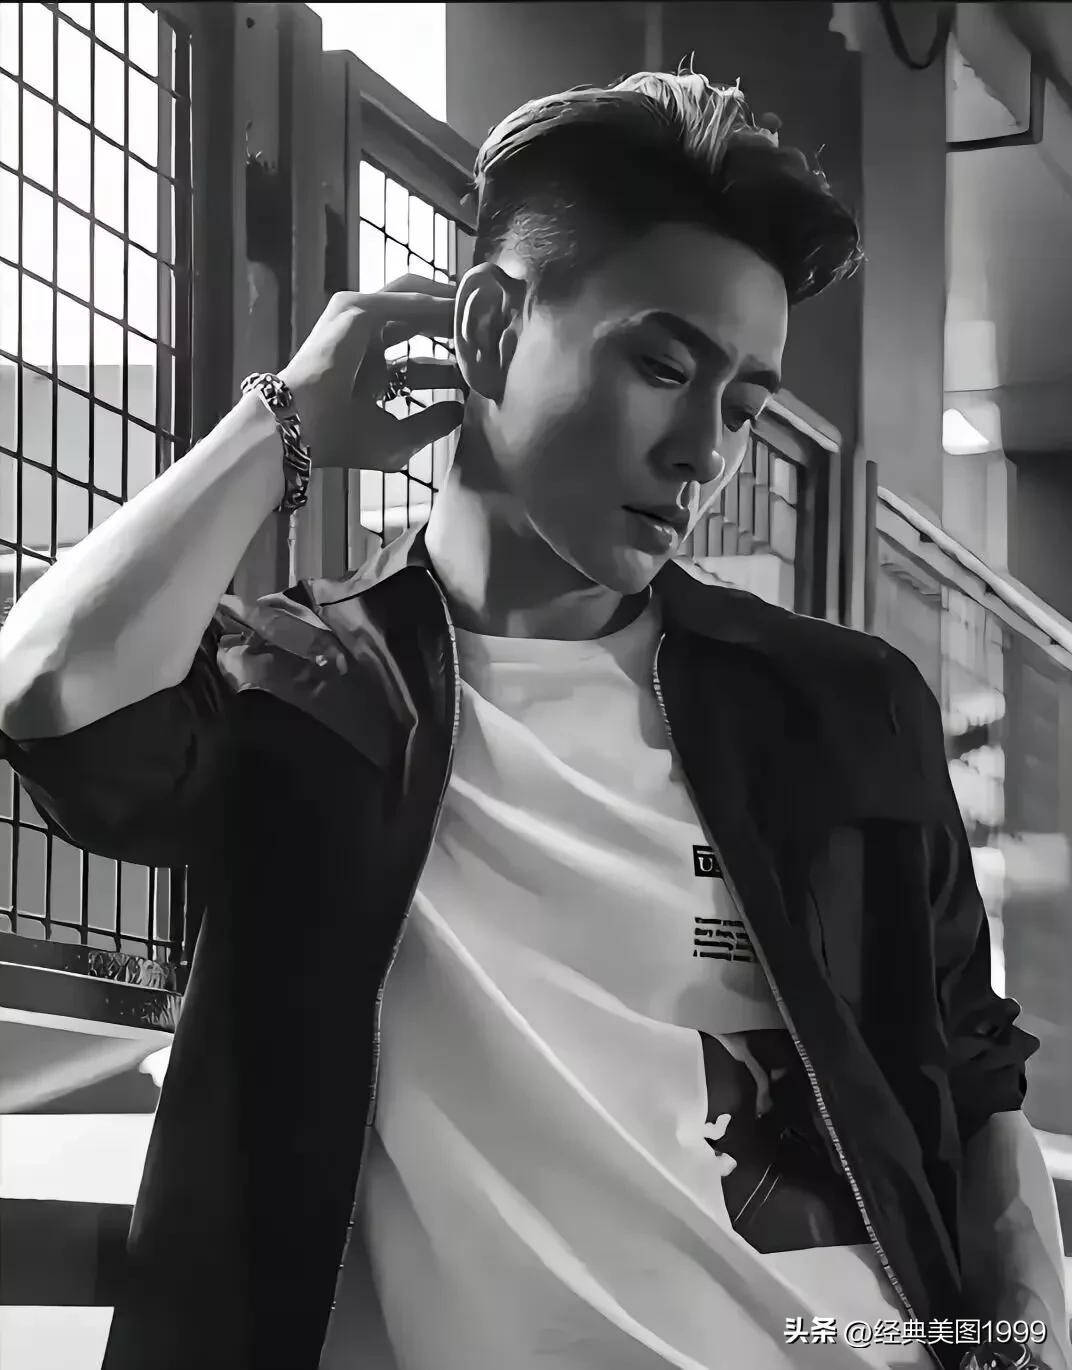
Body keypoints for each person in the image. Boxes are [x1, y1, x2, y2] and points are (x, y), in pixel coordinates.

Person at [0, 66, 1065, 1370]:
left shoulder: (842, 704)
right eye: (662, 366)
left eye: (741, 406)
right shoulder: (313, 690)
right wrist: (282, 421)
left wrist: (1024, 1335)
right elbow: (51, 691)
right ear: (494, 329)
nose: (704, 451)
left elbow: (973, 1070)